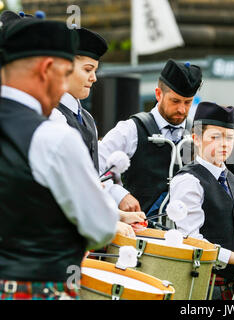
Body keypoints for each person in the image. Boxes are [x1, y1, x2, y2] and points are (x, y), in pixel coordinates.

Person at [0, 18, 118, 300]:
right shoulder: (53, 137)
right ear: (46, 69)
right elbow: (101, 226)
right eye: (66, 73)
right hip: (36, 288)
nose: (64, 86)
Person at [168, 102, 234, 300]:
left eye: (229, 137)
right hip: (202, 286)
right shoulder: (188, 181)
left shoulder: (232, 179)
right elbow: (192, 240)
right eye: (215, 137)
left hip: (231, 286)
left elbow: (233, 234)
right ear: (196, 139)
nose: (224, 144)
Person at [48, 26, 146, 233]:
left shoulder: (87, 118)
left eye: (94, 70)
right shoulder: (50, 115)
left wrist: (117, 214)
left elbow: (91, 180)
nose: (94, 78)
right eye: (87, 69)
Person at [98, 59, 202, 215]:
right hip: (139, 231)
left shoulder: (196, 134)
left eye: (188, 102)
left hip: (184, 233)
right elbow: (92, 166)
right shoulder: (131, 129)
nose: (182, 109)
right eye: (175, 101)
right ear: (159, 94)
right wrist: (118, 194)